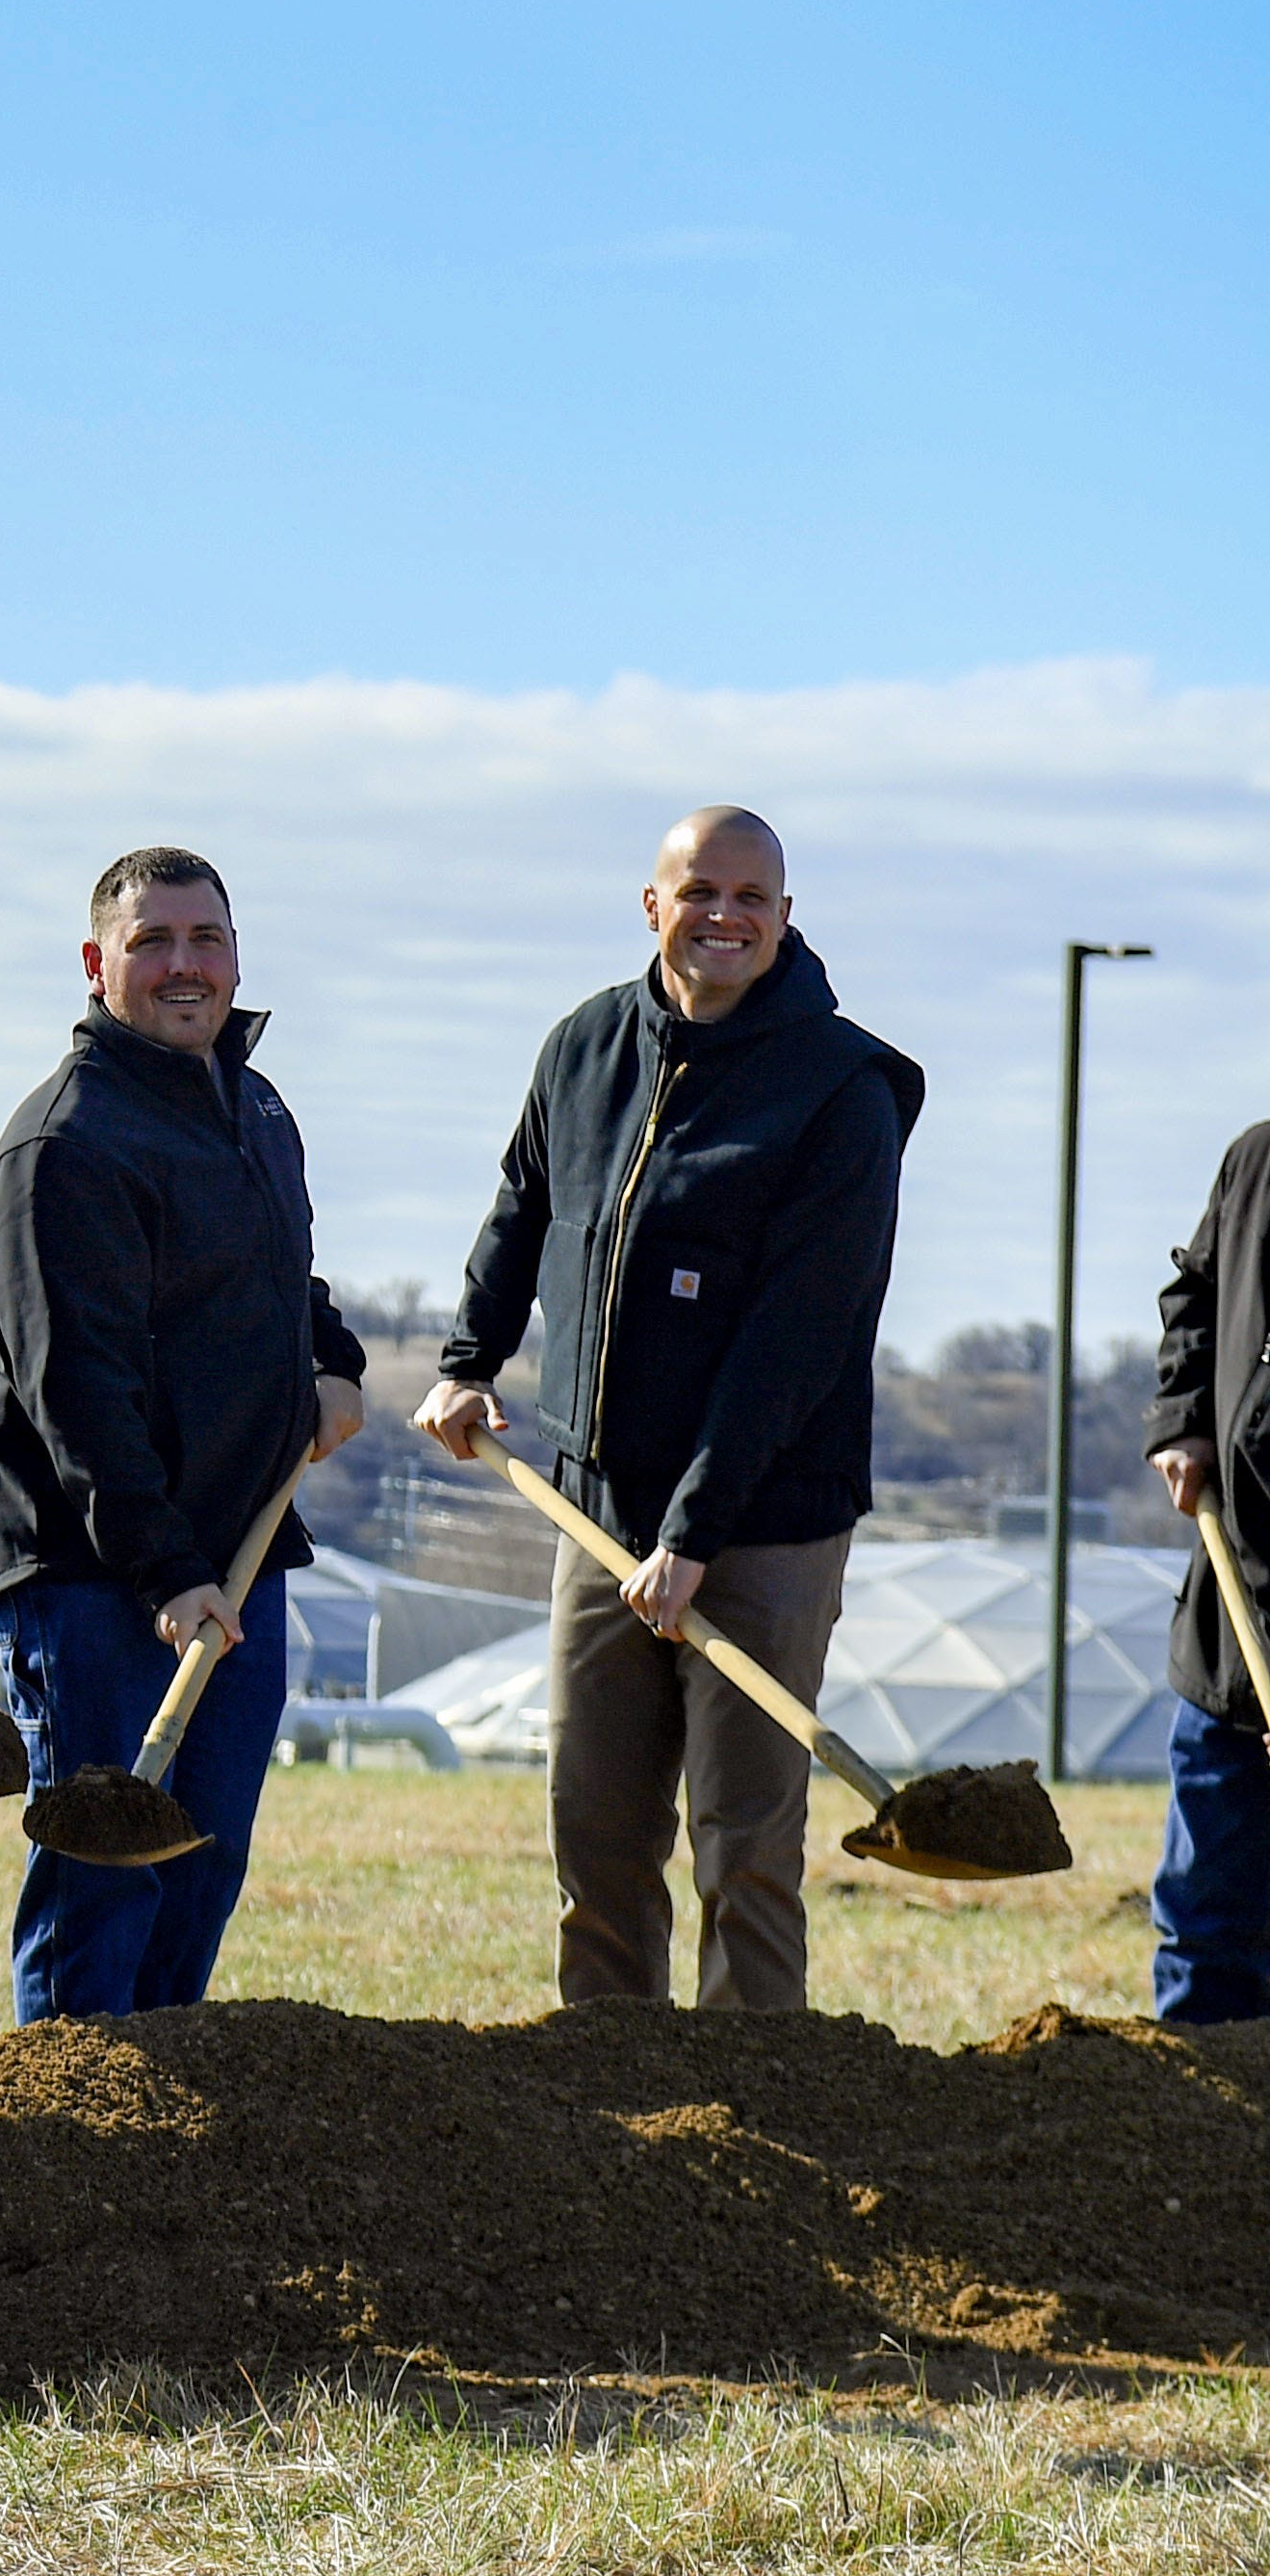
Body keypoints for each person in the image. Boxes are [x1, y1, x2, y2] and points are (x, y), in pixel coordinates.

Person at [419, 807, 918, 2014]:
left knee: (743, 1849)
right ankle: (613, 2121)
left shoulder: (839, 1091)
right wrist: (470, 1354)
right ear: (652, 904)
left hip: (763, 1527)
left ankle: (758, 2122)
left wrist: (694, 1534)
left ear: (788, 917)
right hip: (598, 1513)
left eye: (753, 895)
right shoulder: (585, 1047)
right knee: (594, 1839)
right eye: (700, 890)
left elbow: (796, 1343)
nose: (726, 915)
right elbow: (523, 1210)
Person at [0, 846, 366, 2018]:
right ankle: (65, 2137)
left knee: (202, 1862)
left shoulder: (252, 1104)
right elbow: (73, 1389)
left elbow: (279, 1272)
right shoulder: (65, 1146)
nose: (185, 965)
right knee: (104, 1878)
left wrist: (330, 1360)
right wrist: (166, 1569)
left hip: (235, 1553)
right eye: (153, 942)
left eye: (207, 940)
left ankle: (159, 2136)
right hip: (99, 1574)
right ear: (98, 965)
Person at [1141, 1125, 1270, 2026]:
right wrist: (1185, 1418)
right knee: (1204, 1918)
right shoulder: (1259, 1160)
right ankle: (1197, 2126)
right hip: (1233, 1622)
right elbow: (1198, 1291)